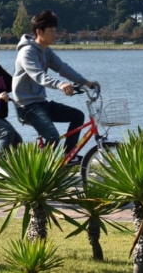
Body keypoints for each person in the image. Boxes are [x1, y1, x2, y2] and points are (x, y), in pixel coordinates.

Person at [12, 10, 98, 165]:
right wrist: (60, 85)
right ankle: (35, 169)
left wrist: (86, 82)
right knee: (52, 137)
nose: (55, 34)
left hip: (41, 103)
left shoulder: (46, 51)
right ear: (39, 32)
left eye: (55, 30)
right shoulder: (27, 52)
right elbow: (37, 75)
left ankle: (68, 157)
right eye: (51, 31)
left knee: (77, 116)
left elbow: (62, 68)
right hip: (26, 106)